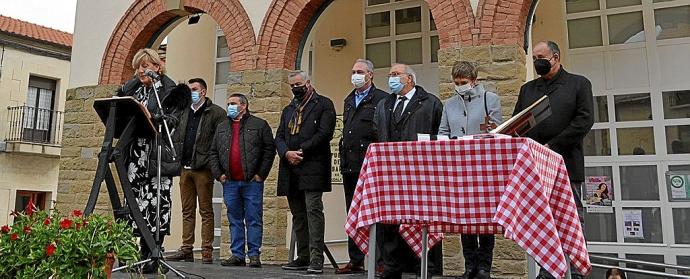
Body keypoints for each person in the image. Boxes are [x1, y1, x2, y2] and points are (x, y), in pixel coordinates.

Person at [512, 41, 594, 279]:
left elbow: (584, 121)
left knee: (572, 221)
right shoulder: (528, 89)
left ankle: (576, 272)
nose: (537, 61)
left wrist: (552, 146)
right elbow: (518, 122)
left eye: (541, 56)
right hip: (535, 168)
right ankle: (547, 272)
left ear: (555, 57)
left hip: (566, 164)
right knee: (541, 223)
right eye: (534, 57)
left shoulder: (578, 84)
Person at [116, 48, 190, 274]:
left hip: (157, 157)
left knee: (156, 204)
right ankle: (135, 253)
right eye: (138, 66)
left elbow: (174, 122)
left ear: (158, 67)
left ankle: (153, 252)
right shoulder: (133, 90)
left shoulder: (169, 91)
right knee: (134, 203)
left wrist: (159, 118)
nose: (141, 71)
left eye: (145, 66)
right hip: (135, 158)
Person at [373, 63, 443, 278]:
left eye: (396, 75)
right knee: (390, 220)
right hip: (391, 172)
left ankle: (426, 267)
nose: (391, 78)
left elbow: (439, 133)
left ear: (410, 78)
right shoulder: (384, 104)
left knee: (421, 220)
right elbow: (377, 131)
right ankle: (392, 266)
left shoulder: (430, 103)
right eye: (390, 75)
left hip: (421, 172)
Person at [439, 61, 503, 279]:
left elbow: (496, 129)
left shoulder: (490, 99)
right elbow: (443, 131)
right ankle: (470, 265)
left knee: (485, 217)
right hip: (459, 168)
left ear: (474, 81)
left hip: (484, 166)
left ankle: (485, 265)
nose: (460, 85)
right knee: (464, 217)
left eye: (463, 82)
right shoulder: (448, 104)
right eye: (456, 82)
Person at [277, 71, 336, 274]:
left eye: (298, 84)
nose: (295, 88)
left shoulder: (323, 104)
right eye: (292, 85)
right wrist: (286, 153)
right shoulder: (288, 109)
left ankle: (316, 258)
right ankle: (302, 256)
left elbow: (325, 133)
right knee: (298, 214)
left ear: (308, 83)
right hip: (290, 167)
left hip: (312, 165)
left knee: (313, 211)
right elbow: (280, 136)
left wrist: (302, 150)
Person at [209, 93, 276, 268]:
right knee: (234, 219)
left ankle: (254, 255)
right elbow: (213, 152)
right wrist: (219, 175)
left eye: (233, 103)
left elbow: (269, 149)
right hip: (230, 182)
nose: (229, 106)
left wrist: (260, 174)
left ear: (243, 106)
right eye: (228, 103)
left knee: (254, 218)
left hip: (252, 182)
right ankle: (237, 254)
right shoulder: (222, 126)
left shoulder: (259, 125)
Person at [336, 59, 388, 274]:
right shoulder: (349, 99)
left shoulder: (382, 99)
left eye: (360, 71)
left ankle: (381, 260)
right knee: (353, 212)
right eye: (353, 71)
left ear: (370, 75)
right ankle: (355, 259)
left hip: (372, 165)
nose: (355, 75)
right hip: (350, 164)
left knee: (376, 213)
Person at [165, 78, 226, 264]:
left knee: (206, 210)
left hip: (203, 169)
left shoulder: (216, 113)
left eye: (195, 89)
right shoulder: (183, 111)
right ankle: (186, 248)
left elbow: (221, 141)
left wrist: (213, 164)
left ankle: (207, 250)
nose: (192, 92)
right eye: (190, 89)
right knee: (187, 210)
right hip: (185, 168)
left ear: (203, 92)